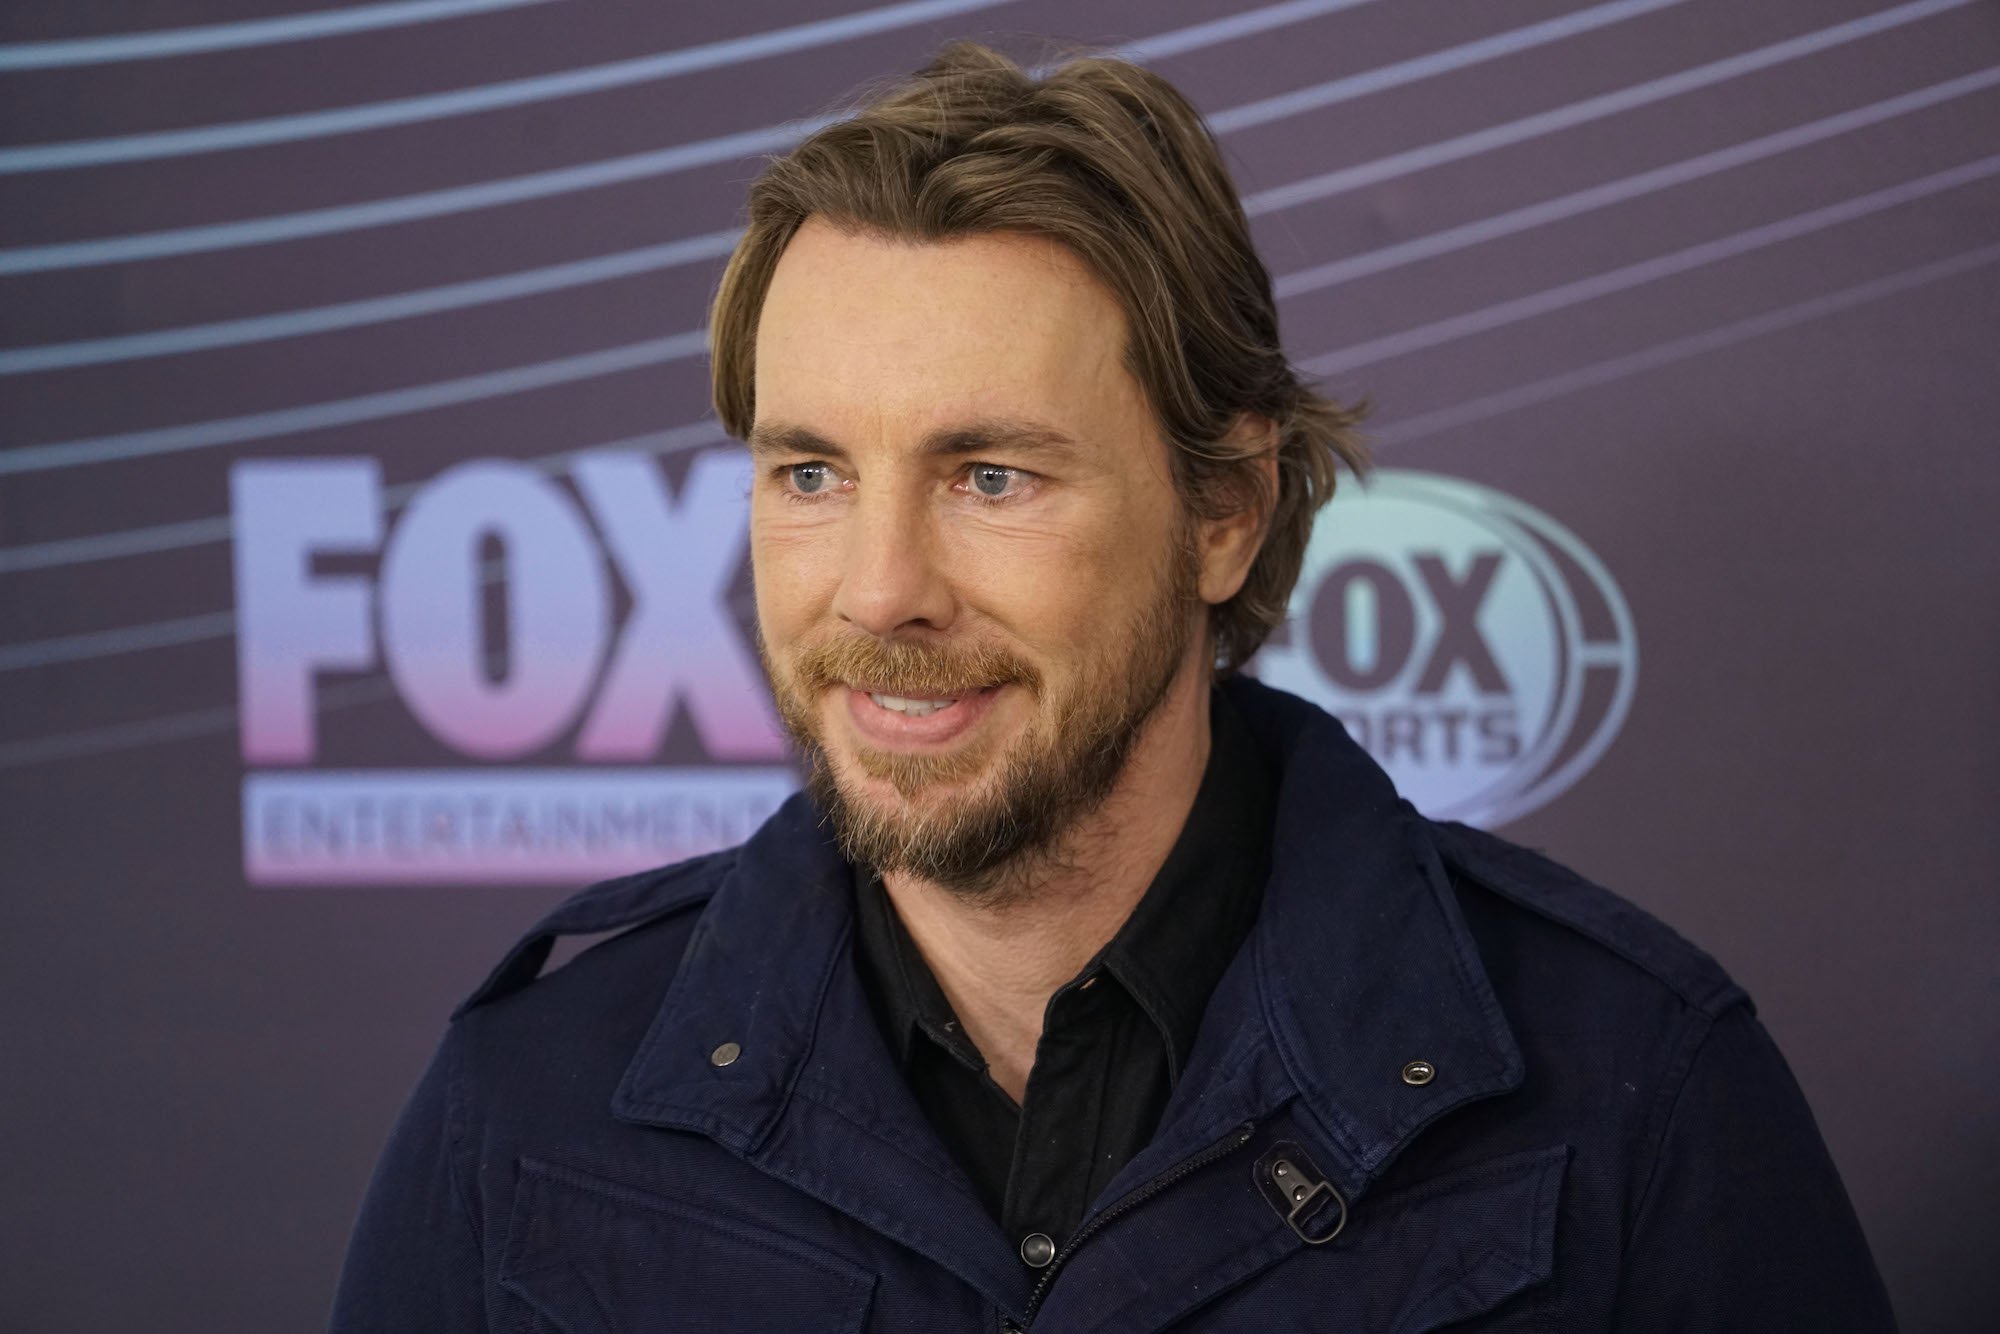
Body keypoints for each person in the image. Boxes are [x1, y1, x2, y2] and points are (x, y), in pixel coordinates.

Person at [330, 41, 1894, 1333]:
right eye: (811, 471)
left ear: (1226, 509)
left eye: (992, 475)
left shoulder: (1634, 1090)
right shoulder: (533, 1102)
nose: (878, 588)